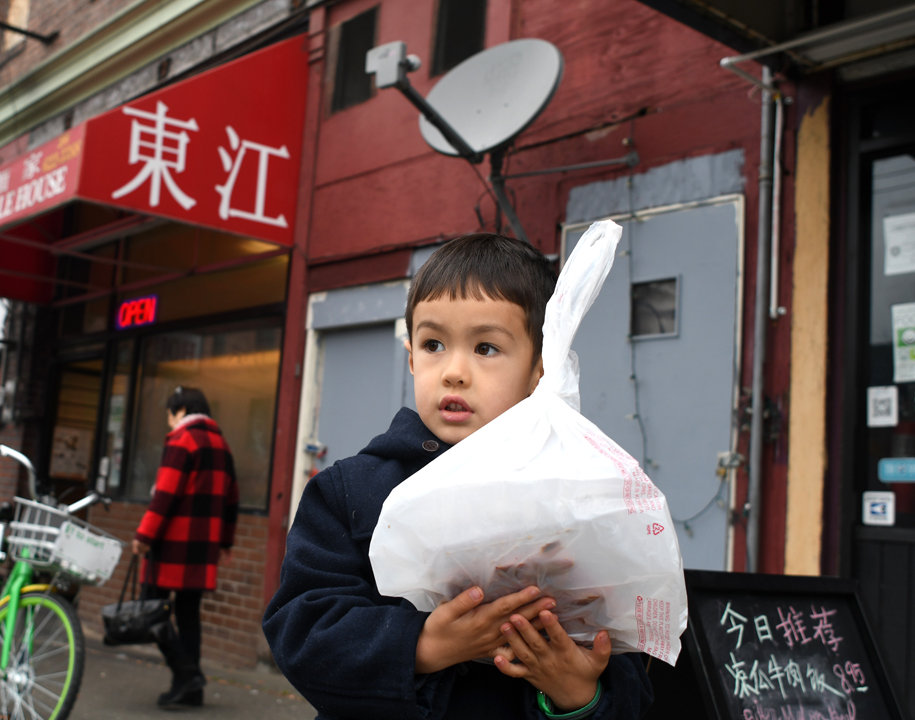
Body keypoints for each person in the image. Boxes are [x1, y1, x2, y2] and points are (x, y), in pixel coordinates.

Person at [263, 234, 653, 719]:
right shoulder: (352, 490)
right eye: (433, 345)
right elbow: (301, 630)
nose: (454, 371)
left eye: (486, 347)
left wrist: (578, 695)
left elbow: (626, 666)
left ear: (541, 368)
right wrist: (422, 645)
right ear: (410, 358)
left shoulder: (578, 502)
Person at [132, 386, 239, 710]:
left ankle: (187, 674)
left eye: (170, 414)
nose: (169, 422)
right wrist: (225, 540)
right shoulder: (222, 444)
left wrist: (143, 535)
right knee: (188, 614)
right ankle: (190, 689)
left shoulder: (183, 440)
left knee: (150, 610)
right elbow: (232, 498)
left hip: (173, 542)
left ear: (181, 411)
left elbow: (165, 494)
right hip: (203, 545)